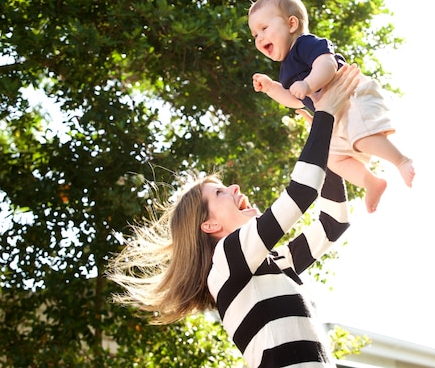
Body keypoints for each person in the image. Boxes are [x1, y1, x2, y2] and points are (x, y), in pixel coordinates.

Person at [107, 64, 361, 368]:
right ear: (209, 224)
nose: (234, 187)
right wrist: (325, 116)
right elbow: (301, 193)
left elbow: (333, 224)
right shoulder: (226, 261)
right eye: (219, 193)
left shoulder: (276, 263)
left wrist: (328, 146)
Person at [248, 0, 415, 213]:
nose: (259, 38)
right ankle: (371, 182)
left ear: (291, 24)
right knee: (334, 159)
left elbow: (326, 65)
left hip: (350, 95)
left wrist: (308, 84)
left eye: (264, 28)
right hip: (334, 114)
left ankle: (401, 160)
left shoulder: (304, 44)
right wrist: (271, 88)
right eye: (255, 35)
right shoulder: (286, 71)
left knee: (362, 139)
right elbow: (295, 99)